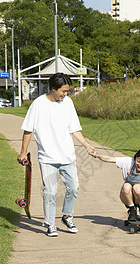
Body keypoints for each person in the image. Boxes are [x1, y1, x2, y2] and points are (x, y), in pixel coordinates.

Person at [17, 73, 96, 237]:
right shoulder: (38, 105)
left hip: (67, 156)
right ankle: (50, 223)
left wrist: (87, 145)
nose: (65, 94)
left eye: (67, 91)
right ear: (53, 88)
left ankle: (67, 216)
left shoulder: (68, 103)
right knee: (50, 192)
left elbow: (74, 128)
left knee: (74, 188)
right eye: (63, 91)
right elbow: (28, 130)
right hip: (47, 158)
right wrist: (23, 152)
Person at [96, 148, 140, 223]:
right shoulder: (129, 162)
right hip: (127, 197)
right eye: (138, 161)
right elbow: (110, 159)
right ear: (135, 158)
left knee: (137, 188)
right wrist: (97, 155)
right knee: (126, 186)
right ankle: (132, 211)